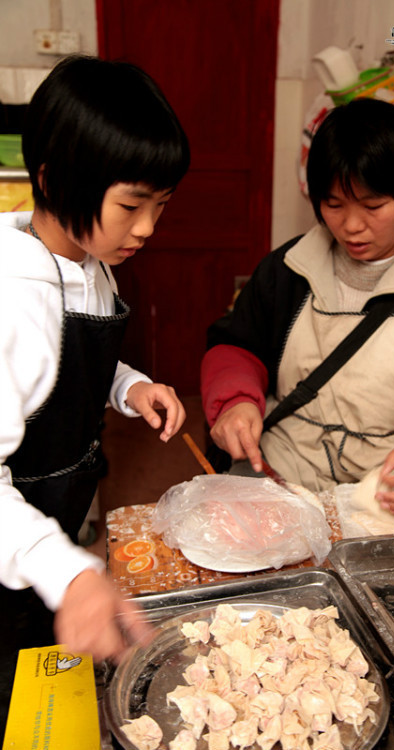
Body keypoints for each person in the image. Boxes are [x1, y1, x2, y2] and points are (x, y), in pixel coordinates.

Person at [0, 54, 190, 729]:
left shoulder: (87, 258)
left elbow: (64, 366)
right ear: (53, 178)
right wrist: (69, 571)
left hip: (58, 525)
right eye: (132, 205)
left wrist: (129, 387)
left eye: (160, 205)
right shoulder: (9, 301)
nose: (147, 229)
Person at [202, 97, 394, 515]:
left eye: (373, 206)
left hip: (387, 491)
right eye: (334, 205)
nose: (351, 225)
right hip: (279, 470)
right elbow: (236, 345)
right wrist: (234, 400)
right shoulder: (288, 271)